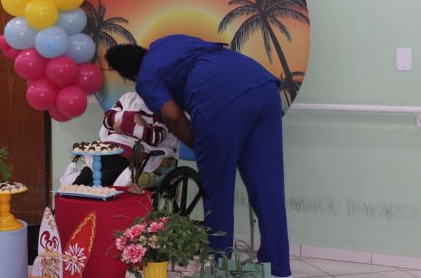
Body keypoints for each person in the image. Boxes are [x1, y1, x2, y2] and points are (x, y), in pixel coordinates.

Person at [104, 35, 291, 278]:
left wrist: (200, 145)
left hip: (220, 102)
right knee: (268, 184)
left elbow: (172, 116)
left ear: (130, 76)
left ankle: (219, 264)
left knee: (218, 190)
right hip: (263, 86)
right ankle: (278, 265)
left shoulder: (146, 78)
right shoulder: (165, 42)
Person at [59, 91, 178, 187]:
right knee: (84, 178)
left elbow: (156, 137)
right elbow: (107, 119)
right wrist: (131, 117)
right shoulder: (129, 97)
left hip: (131, 153)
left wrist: (125, 125)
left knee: (103, 182)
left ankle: (91, 198)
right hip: (108, 147)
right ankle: (74, 198)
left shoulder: (163, 107)